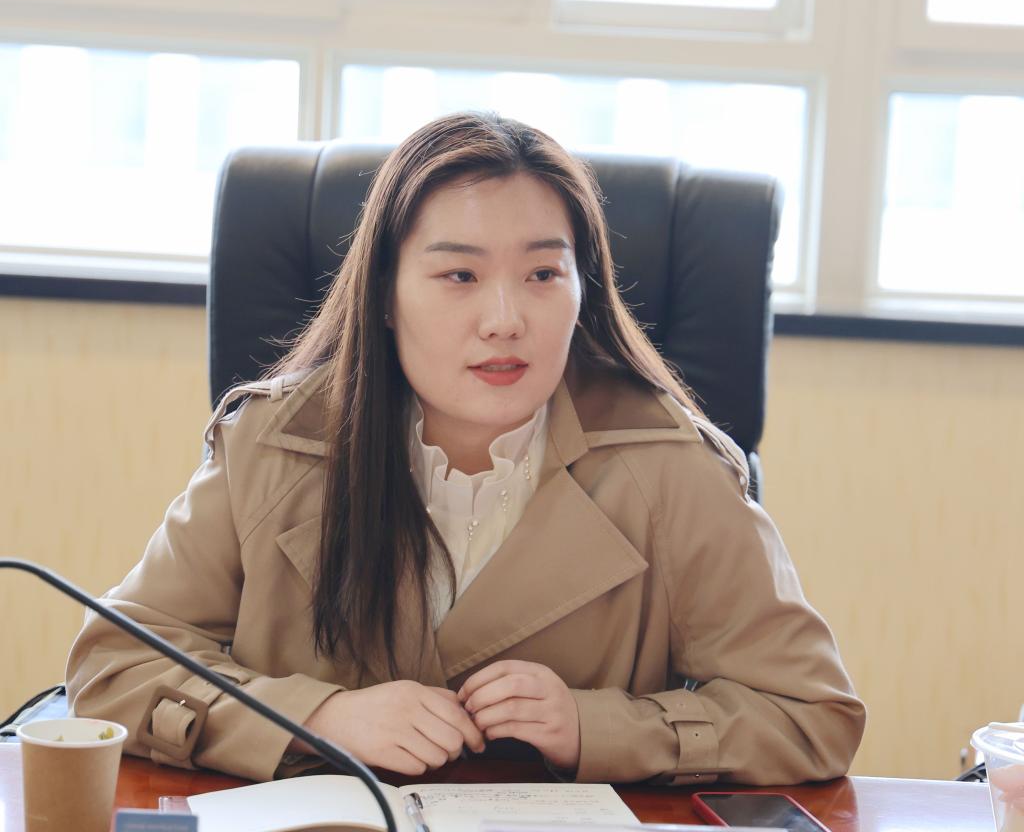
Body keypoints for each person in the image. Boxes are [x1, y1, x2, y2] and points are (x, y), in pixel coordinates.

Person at [67, 111, 865, 786]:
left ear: (583, 291)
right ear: (385, 294)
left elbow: (810, 714)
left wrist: (595, 727)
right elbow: (113, 667)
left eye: (544, 274)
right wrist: (318, 718)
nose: (505, 320)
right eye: (459, 277)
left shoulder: (669, 467)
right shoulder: (271, 445)